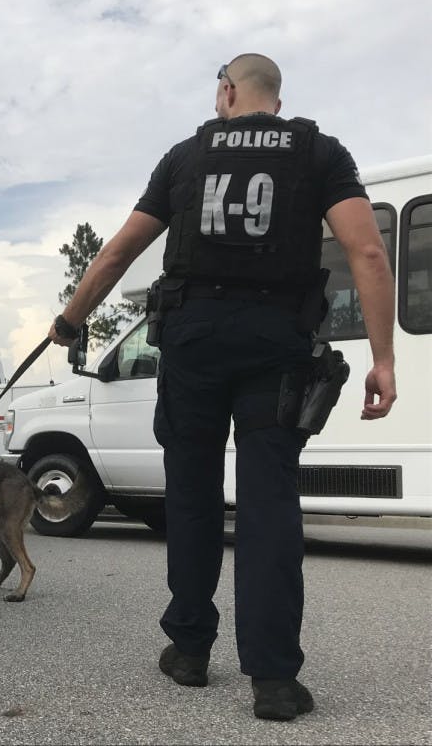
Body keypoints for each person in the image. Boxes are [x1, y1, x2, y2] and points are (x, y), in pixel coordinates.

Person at [48, 53, 396, 721]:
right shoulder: (320, 153)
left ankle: (188, 649)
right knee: (269, 500)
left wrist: (70, 319)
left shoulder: (184, 158)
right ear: (275, 96)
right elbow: (369, 251)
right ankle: (274, 680)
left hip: (193, 342)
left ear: (227, 92)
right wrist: (382, 358)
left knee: (193, 494)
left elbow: (120, 250)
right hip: (277, 343)